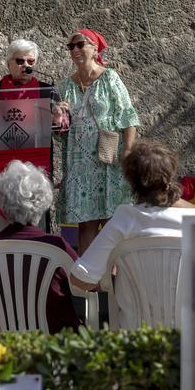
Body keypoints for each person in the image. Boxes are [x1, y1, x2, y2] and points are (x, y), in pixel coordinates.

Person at [68, 140, 195, 316]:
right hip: (193, 332)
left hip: (136, 332)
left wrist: (114, 282)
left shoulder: (125, 217)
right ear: (172, 173)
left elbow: (82, 278)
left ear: (131, 181)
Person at [0, 161, 83, 333]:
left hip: (1, 343)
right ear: (43, 202)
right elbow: (85, 283)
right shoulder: (57, 246)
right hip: (55, 343)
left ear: (2, 202)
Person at [54, 29, 140, 252]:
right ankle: (90, 281)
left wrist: (128, 151)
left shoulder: (110, 78)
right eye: (70, 47)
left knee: (113, 221)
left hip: (109, 158)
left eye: (80, 44)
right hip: (79, 160)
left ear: (94, 48)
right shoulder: (64, 87)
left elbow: (128, 116)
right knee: (86, 222)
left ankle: (113, 278)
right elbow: (60, 134)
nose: (74, 50)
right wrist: (57, 118)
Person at [0, 39, 65, 166]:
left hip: (37, 164)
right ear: (9, 64)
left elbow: (61, 129)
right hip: (1, 162)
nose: (26, 65)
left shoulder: (46, 91)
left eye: (30, 61)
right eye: (20, 61)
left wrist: (59, 120)